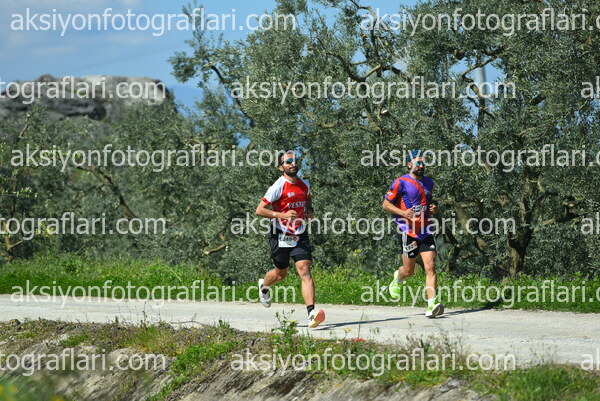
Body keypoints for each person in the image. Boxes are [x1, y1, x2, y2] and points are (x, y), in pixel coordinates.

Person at [255, 151, 325, 328]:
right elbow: (260, 210)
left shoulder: (304, 184)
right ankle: (264, 287)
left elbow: (307, 198)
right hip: (280, 232)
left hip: (299, 232)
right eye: (288, 162)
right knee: (280, 274)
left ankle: (311, 314)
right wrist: (282, 215)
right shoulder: (277, 187)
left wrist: (309, 210)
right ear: (281, 167)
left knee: (304, 269)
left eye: (294, 160)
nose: (292, 163)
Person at [382, 150, 444, 318]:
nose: (421, 165)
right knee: (409, 271)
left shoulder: (429, 183)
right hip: (408, 231)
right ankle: (398, 278)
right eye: (418, 163)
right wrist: (403, 213)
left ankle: (431, 305)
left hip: (425, 230)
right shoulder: (400, 182)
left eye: (423, 163)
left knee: (430, 266)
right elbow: (386, 205)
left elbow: (426, 204)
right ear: (409, 165)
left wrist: (432, 209)